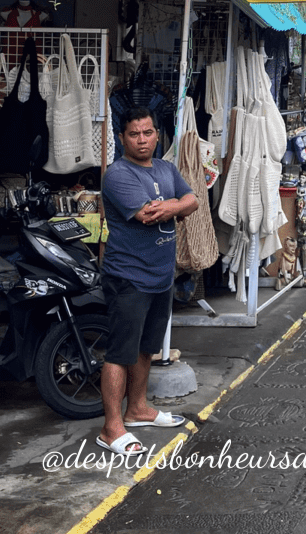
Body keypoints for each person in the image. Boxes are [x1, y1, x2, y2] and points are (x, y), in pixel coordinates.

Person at [96, 107, 199, 457]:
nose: (142, 140)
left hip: (160, 275)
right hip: (129, 276)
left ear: (157, 134)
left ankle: (137, 409)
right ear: (122, 138)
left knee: (146, 348)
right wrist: (175, 207)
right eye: (134, 134)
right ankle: (111, 428)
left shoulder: (166, 168)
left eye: (148, 132)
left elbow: (193, 200)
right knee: (119, 352)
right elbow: (145, 214)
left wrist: (170, 207)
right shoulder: (118, 174)